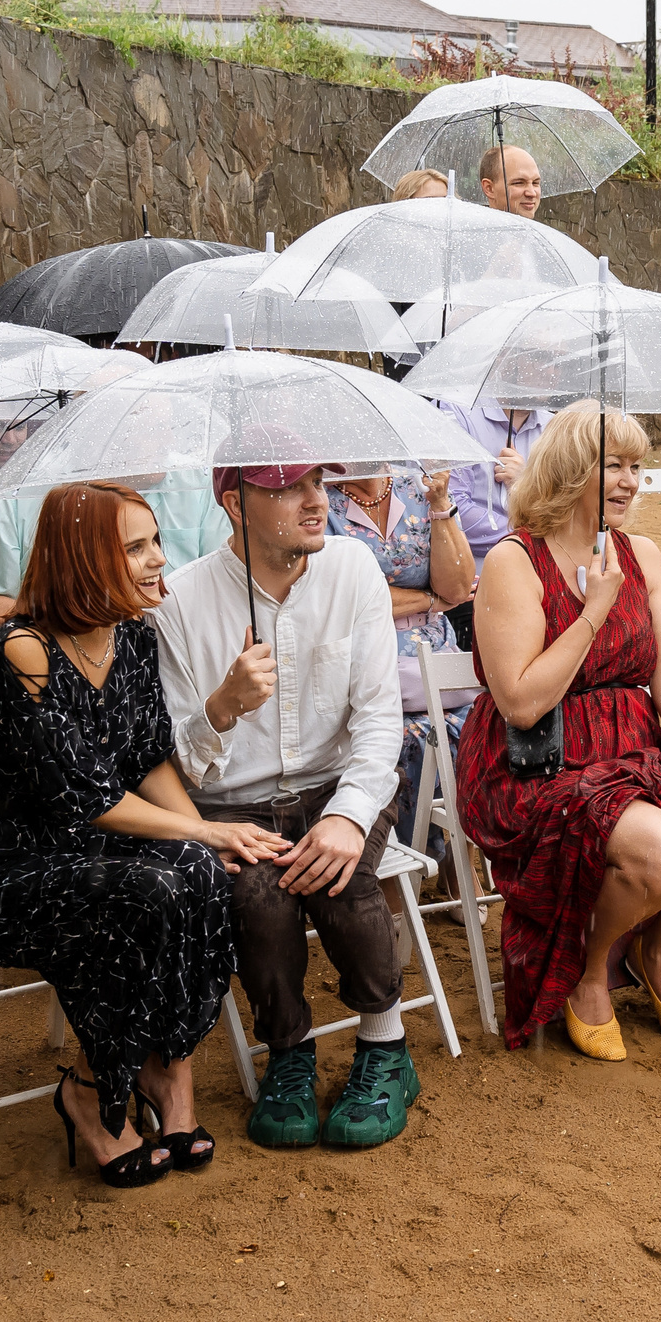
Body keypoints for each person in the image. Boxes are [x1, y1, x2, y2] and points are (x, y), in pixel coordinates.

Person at [0, 483, 246, 1187]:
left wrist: (206, 837)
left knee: (202, 871)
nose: (159, 560)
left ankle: (168, 1075)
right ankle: (89, 1093)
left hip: (63, 853)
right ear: (85, 560)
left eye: (155, 541)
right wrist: (205, 828)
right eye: (136, 547)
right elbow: (90, 800)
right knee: (145, 889)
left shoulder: (136, 639)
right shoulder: (19, 652)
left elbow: (147, 759)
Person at [452, 403, 661, 1057]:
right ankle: (587, 976)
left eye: (637, 467)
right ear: (570, 468)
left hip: (633, 750)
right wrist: (593, 612)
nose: (629, 481)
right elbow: (522, 703)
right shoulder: (515, 560)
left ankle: (659, 956)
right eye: (613, 465)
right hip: (540, 762)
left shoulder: (639, 553)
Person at [151, 461, 419, 1150]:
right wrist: (222, 708)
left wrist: (348, 814)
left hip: (337, 781)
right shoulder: (178, 602)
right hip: (229, 803)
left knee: (343, 877)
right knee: (259, 899)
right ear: (232, 502)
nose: (315, 500)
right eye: (288, 487)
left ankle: (385, 1046)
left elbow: (380, 722)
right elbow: (174, 764)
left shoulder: (353, 567)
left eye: (318, 483)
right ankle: (289, 1055)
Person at [324, 467, 474, 856]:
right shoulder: (320, 500)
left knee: (482, 727)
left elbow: (457, 588)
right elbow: (345, 597)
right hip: (367, 658)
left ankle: (460, 857)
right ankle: (403, 858)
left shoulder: (419, 488)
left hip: (439, 661)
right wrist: (428, 599)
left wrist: (440, 505)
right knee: (404, 740)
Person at [0, 475, 232, 648]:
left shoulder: (198, 481)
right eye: (134, 548)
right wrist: (79, 614)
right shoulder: (18, 493)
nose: (161, 559)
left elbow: (220, 596)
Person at [432, 399, 554, 649]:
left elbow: (566, 512)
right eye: (540, 357)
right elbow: (455, 511)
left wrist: (525, 483)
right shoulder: (456, 412)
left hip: (543, 582)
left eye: (554, 358)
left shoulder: (556, 427)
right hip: (473, 588)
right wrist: (532, 536)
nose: (550, 366)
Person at [478, 144, 542, 218]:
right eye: (519, 183)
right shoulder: (477, 228)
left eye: (535, 183)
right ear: (489, 188)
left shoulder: (542, 229)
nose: (532, 193)